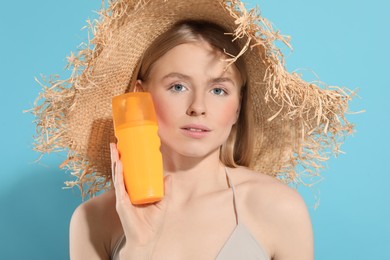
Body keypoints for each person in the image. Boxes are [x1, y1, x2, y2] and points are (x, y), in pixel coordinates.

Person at [32, 0, 353, 259]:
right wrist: (139, 250)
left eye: (218, 90)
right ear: (140, 96)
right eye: (177, 86)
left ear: (238, 106)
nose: (198, 106)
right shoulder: (93, 220)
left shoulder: (278, 209)